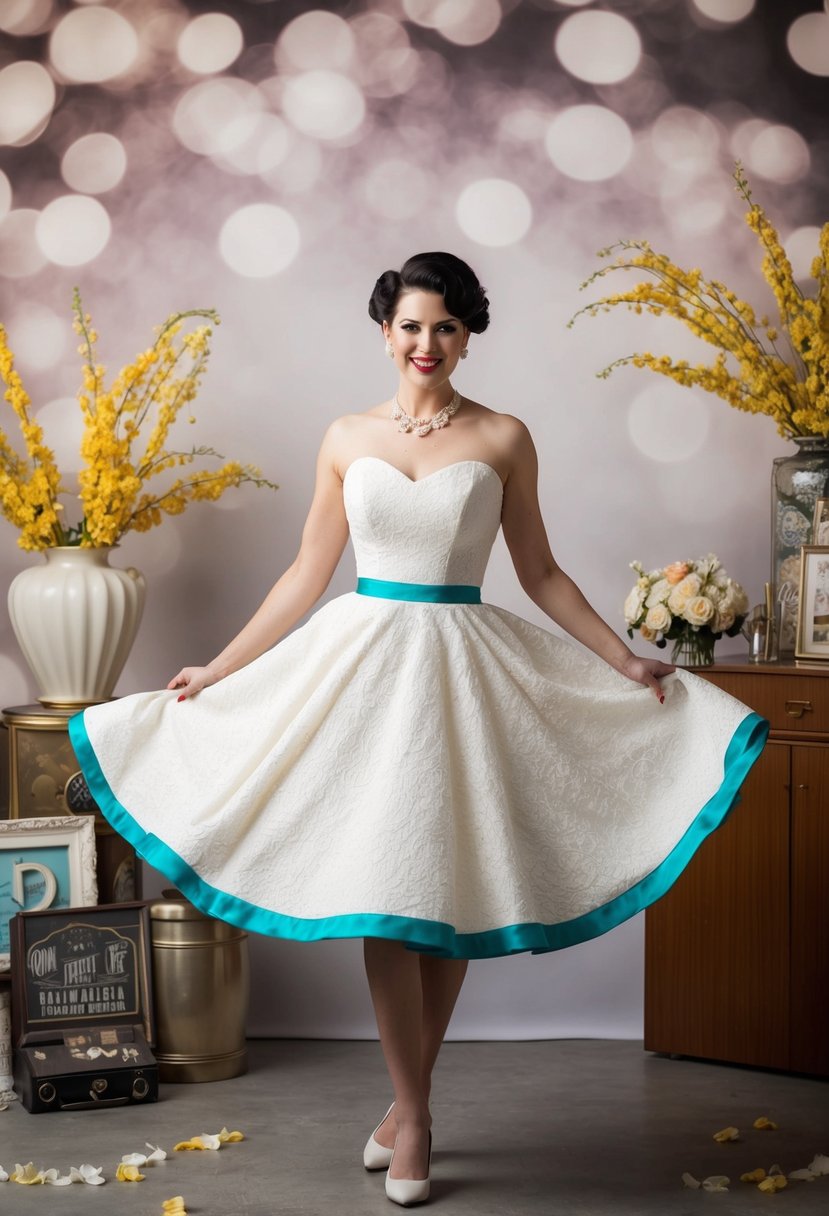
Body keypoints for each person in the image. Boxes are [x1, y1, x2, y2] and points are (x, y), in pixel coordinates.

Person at [70, 252, 767, 1208]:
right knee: (387, 887)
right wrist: (222, 667)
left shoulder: (504, 436)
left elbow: (543, 572)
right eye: (409, 326)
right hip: (361, 673)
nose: (426, 344)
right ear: (384, 331)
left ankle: (410, 1106)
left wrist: (620, 659)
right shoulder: (345, 435)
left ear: (468, 332)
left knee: (440, 898)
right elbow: (305, 575)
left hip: (461, 670)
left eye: (444, 326)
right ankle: (416, 1110)